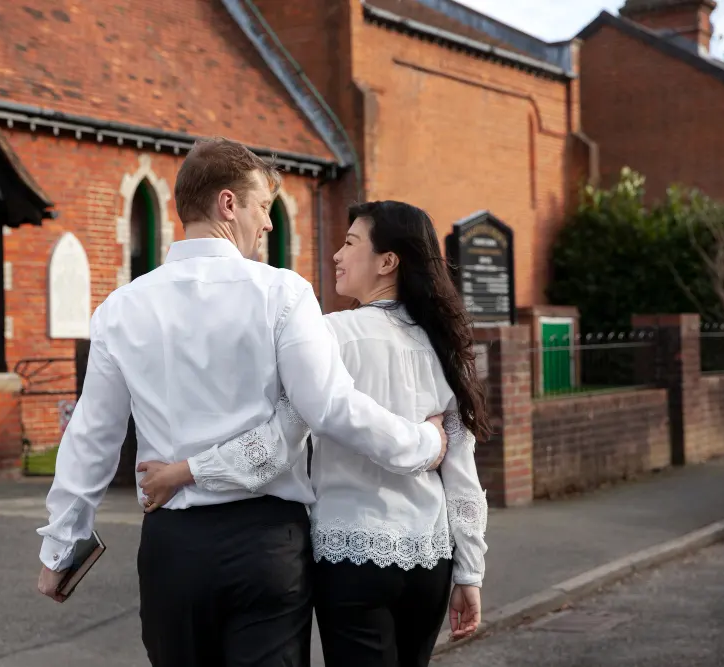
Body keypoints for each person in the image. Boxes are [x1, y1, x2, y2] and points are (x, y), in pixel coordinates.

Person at [35, 138, 449, 667]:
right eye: (263, 208)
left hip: (174, 546)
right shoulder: (283, 293)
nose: (269, 224)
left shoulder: (121, 308)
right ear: (228, 204)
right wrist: (424, 441)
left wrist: (60, 548)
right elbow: (330, 407)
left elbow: (93, 436)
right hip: (266, 546)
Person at [142, 200, 490, 667]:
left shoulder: (329, 336)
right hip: (431, 558)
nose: (336, 256)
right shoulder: (446, 345)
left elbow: (280, 439)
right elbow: (461, 470)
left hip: (351, 556)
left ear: (388, 262)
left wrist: (186, 472)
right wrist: (470, 571)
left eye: (350, 243)